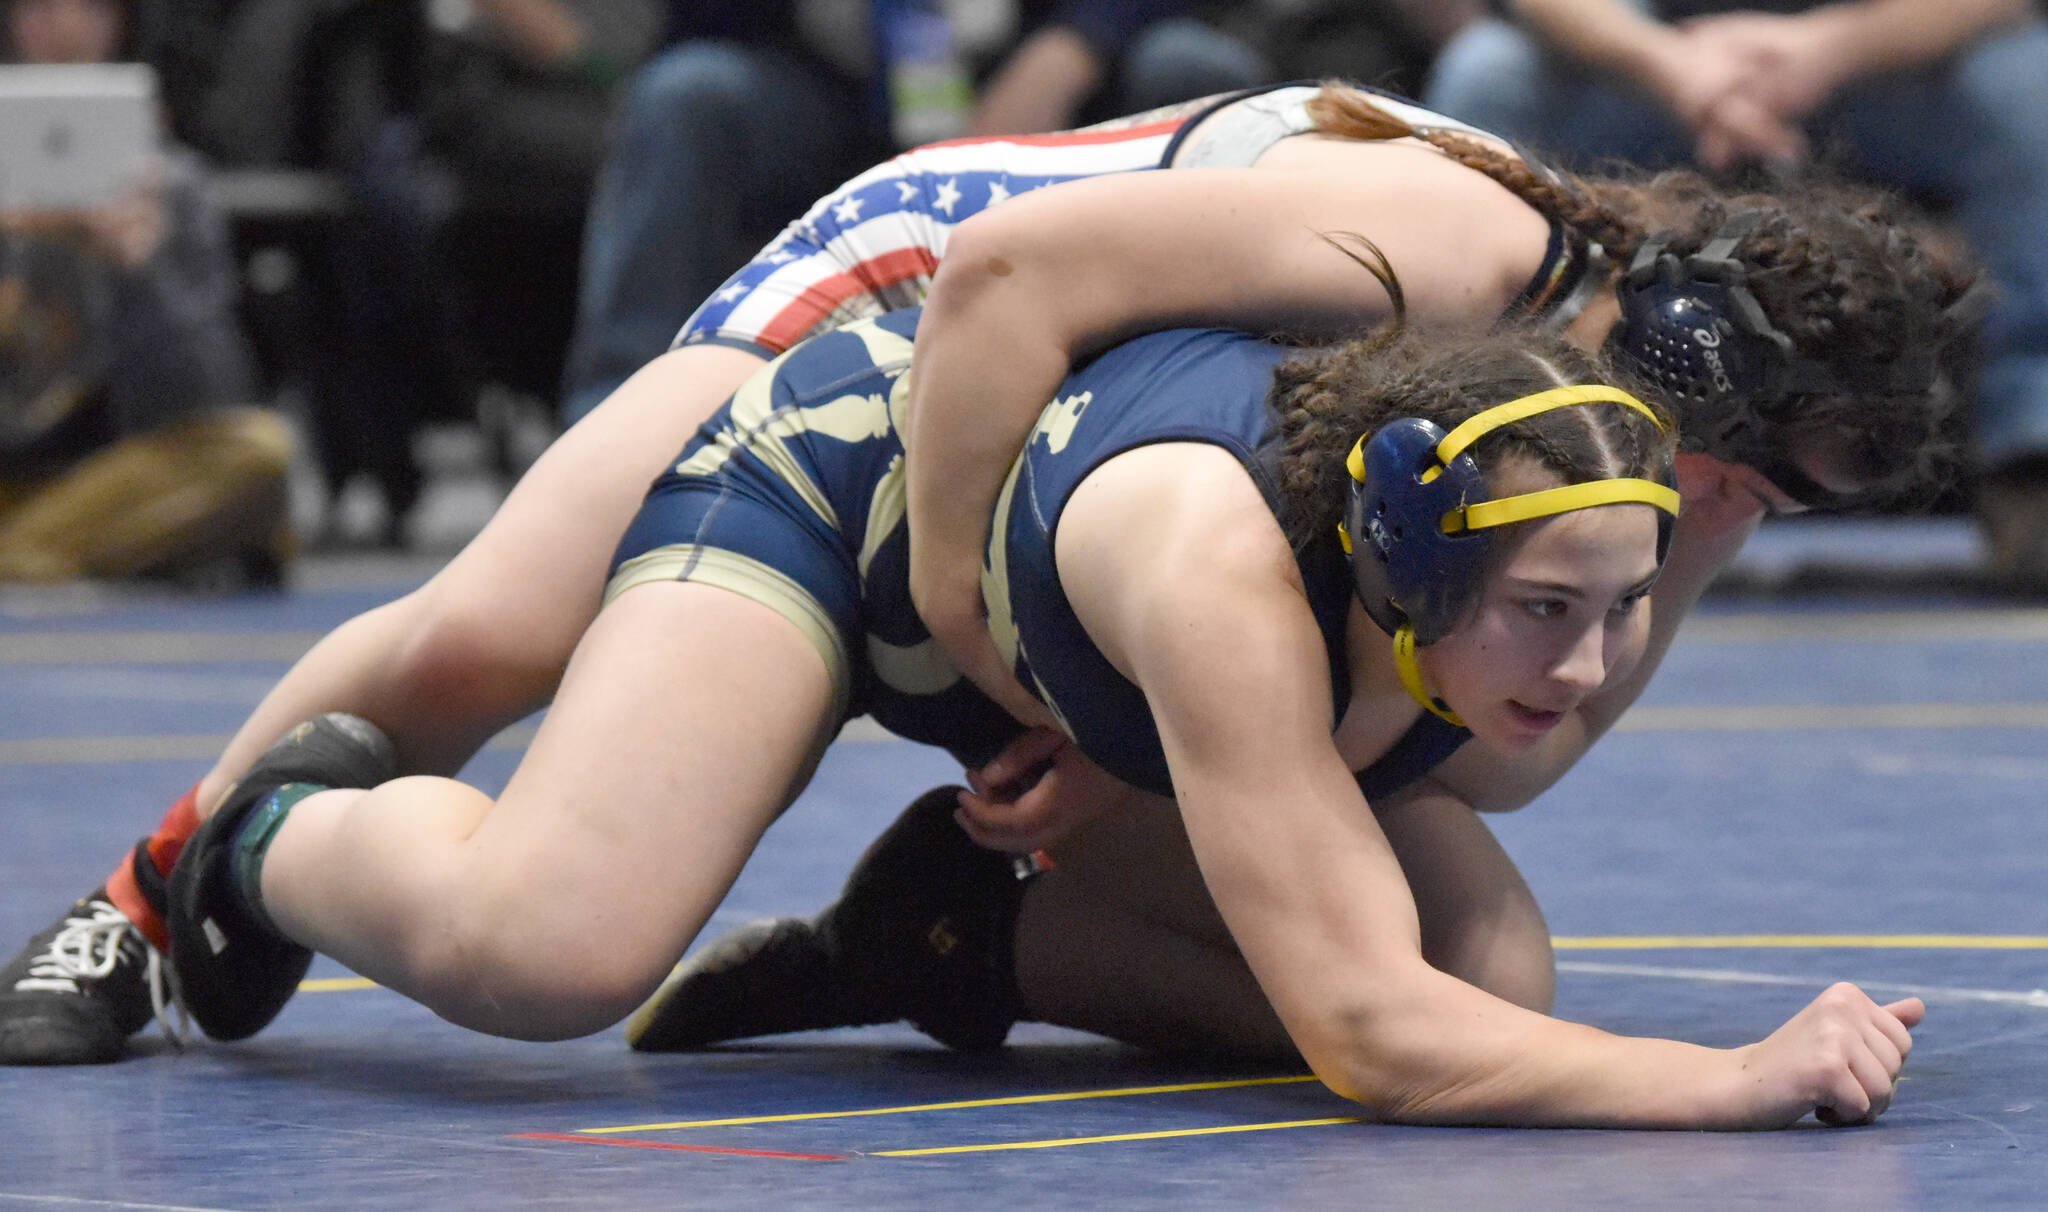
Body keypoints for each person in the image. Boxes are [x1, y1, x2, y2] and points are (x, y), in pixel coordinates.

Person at [0, 81, 1972, 1065]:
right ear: (1687, 373)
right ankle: (160, 880)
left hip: (1104, 490)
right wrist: (966, 604)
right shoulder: (1444, 248)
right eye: (1728, 484)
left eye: (1749, 516)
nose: (1708, 527)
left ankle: (946, 940)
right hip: (911, 336)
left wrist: (1125, 733)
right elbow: (1012, 284)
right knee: (494, 628)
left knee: (1468, 970)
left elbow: (1474, 743)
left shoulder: (1630, 443)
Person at [148, 308, 1926, 1129]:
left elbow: (1441, 960)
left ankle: (962, 933)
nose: (1590, 665)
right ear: (1399, 553)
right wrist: (1731, 1081)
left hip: (1062, 623)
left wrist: (1665, 549)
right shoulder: (1227, 583)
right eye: (1552, 613)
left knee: (1497, 980)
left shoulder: (1485, 473)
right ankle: (274, 828)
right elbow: (1376, 1044)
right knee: (546, 955)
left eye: (1627, 609)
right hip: (856, 496)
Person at [1419, 0, 2048, 587]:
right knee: (1487, 73)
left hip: (1874, 53)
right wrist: (1669, 66)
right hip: (1650, 54)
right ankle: (1472, 430)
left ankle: (2032, 456)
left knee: (2031, 88)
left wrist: (1825, 48)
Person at [558, 0, 1269, 425]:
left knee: (1195, 70)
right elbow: (698, 24)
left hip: (1055, 74)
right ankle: (616, 436)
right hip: (835, 94)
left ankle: (1242, 403)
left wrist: (1072, 46)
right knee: (684, 98)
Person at [0, 0, 286, 587]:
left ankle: (32, 555)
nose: (65, 25)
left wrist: (139, 266)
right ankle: (59, 553)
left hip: (111, 472)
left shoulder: (170, 184)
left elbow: (213, 397)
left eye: (92, 7)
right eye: (38, 6)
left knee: (258, 450)